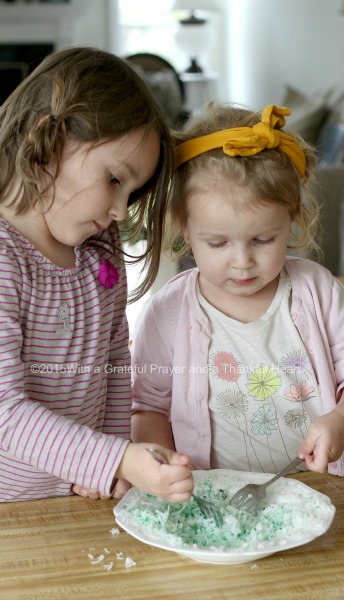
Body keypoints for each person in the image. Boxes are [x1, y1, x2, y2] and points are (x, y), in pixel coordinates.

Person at [131, 102, 344, 477]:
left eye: (263, 239)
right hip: (212, 502)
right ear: (185, 229)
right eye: (218, 243)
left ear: (291, 220)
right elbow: (149, 406)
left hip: (317, 492)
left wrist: (342, 418)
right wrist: (160, 467)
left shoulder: (319, 292)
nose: (242, 261)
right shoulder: (167, 313)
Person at [0, 46, 193, 503]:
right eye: (113, 179)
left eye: (131, 191)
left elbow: (113, 366)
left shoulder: (99, 253)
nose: (120, 210)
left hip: (70, 500)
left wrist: (110, 466)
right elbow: (4, 412)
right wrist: (115, 458)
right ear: (50, 138)